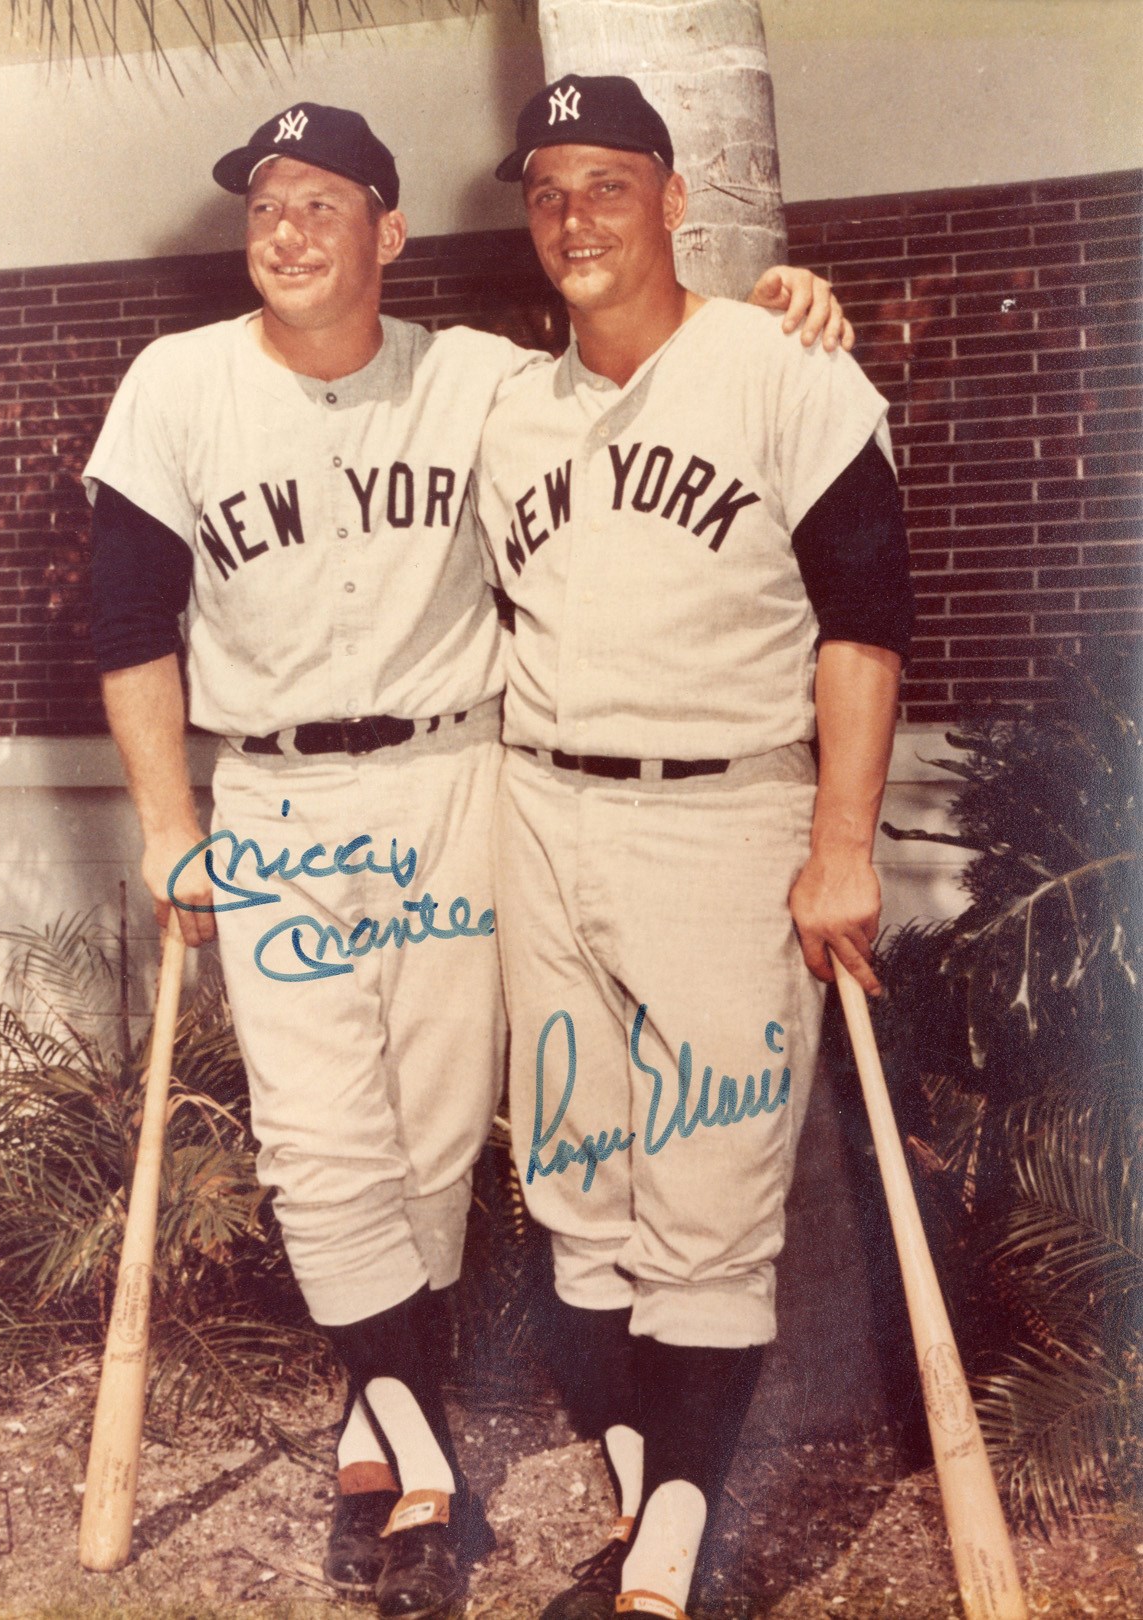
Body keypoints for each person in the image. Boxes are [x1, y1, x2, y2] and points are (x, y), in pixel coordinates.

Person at [84, 97, 855, 1620]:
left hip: (460, 777)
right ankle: (420, 1446)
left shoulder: (481, 380)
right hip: (281, 804)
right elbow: (121, 623)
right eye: (265, 207)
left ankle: (386, 1426)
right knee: (320, 1143)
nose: (288, 232)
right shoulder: (176, 386)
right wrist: (173, 825)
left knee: (442, 1144)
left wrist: (788, 310)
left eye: (324, 204)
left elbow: (649, 367)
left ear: (392, 232)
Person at [477, 75, 915, 1620]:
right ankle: (642, 1493)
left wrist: (842, 844)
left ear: (676, 200)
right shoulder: (506, 405)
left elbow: (867, 620)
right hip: (542, 815)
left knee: (711, 1194)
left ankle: (668, 1553)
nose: (576, 216)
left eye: (610, 183)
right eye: (548, 190)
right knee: (578, 1188)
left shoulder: (778, 365)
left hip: (729, 816)